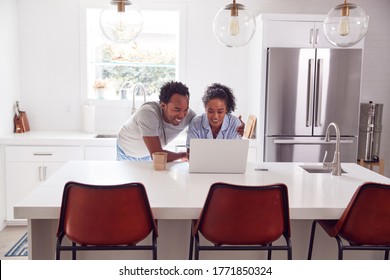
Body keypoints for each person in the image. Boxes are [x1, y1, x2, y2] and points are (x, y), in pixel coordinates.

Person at [117, 81, 196, 162]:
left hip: (149, 154)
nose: (182, 115)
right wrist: (183, 155)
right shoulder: (148, 113)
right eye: (177, 110)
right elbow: (157, 154)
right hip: (128, 151)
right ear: (163, 106)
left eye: (185, 110)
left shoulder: (189, 116)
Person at [186, 83, 243, 152]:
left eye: (220, 112)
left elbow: (236, 153)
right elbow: (190, 154)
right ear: (205, 108)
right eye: (210, 111)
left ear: (226, 109)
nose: (215, 116)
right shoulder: (196, 123)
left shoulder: (234, 123)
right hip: (202, 163)